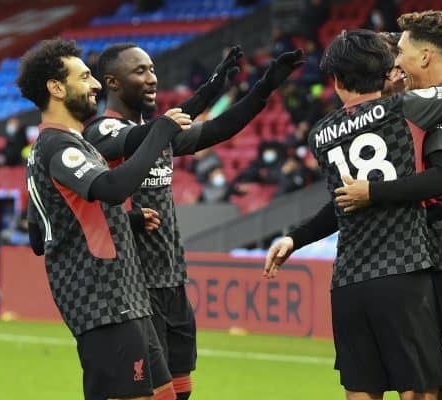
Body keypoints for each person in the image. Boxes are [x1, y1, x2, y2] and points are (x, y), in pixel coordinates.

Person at [263, 29, 442, 400]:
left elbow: (343, 201)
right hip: (404, 272)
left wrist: (295, 237)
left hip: (348, 280)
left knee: (360, 393)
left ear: (337, 80)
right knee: (421, 392)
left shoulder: (320, 135)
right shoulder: (408, 109)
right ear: (387, 71)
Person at [83, 42, 303, 400]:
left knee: (181, 391)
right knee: (148, 393)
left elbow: (219, 129)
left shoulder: (160, 135)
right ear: (112, 82)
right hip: (132, 286)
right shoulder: (103, 132)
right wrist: (211, 88)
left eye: (153, 69)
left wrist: (263, 87)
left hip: (172, 280)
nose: (152, 78)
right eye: (140, 71)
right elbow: (146, 136)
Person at [331, 12, 442, 400]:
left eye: (403, 52)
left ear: (425, 57)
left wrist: (371, 194)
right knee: (431, 385)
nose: (396, 62)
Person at [19, 38, 191, 400]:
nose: (95, 84)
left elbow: (40, 234)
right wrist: (160, 132)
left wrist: (124, 223)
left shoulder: (66, 144)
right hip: (103, 302)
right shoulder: (58, 147)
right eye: (84, 77)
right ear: (56, 87)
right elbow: (111, 188)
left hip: (128, 297)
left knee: (164, 394)